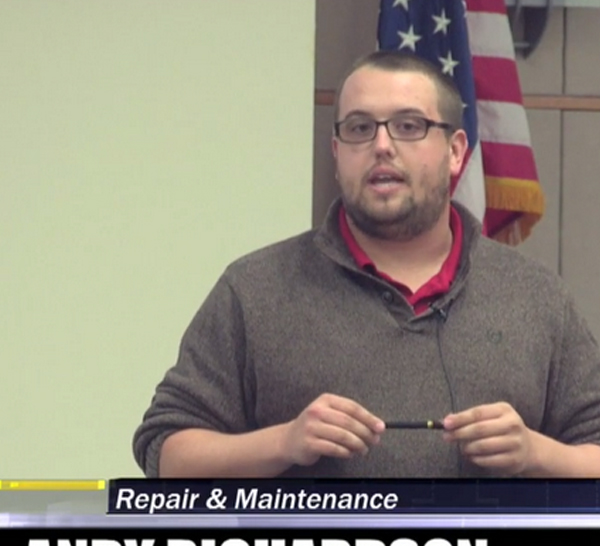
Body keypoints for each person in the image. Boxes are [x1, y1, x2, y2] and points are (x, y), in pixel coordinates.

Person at [133, 50, 600, 479]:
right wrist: (283, 442)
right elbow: (166, 453)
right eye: (359, 128)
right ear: (337, 153)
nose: (381, 146)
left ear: (456, 151)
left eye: (409, 126)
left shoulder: (534, 295)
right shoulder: (256, 288)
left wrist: (539, 453)